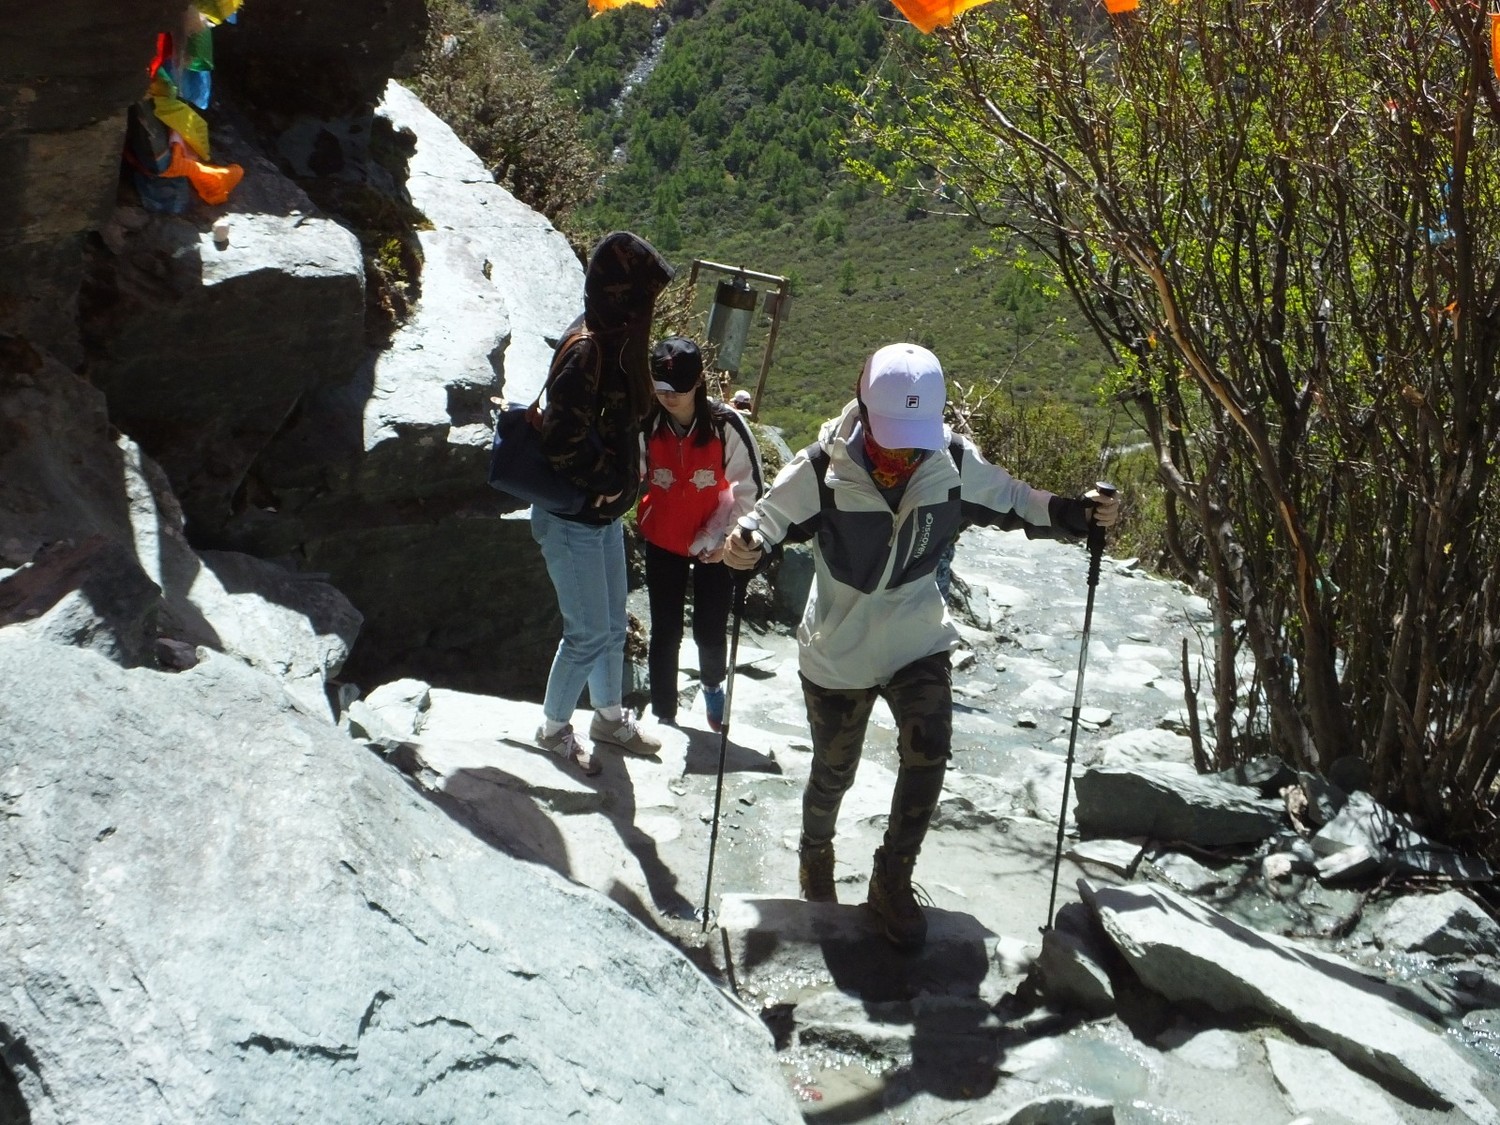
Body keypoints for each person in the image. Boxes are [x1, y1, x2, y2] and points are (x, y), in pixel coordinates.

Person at [722, 342, 1119, 951]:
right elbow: (766, 523)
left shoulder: (952, 462)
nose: (902, 449)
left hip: (915, 640)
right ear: (862, 405)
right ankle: (816, 854)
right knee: (833, 773)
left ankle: (892, 879)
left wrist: (1076, 514)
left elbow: (1016, 501)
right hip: (838, 651)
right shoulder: (820, 469)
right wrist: (743, 545)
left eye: (914, 434)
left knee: (929, 747)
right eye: (891, 433)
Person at [530, 231, 674, 776]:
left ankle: (609, 718)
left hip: (601, 517)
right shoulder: (589, 350)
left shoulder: (613, 343)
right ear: (622, 299)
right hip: (573, 519)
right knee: (586, 632)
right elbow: (559, 441)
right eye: (641, 300)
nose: (647, 313)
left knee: (613, 624)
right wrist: (602, 484)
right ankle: (552, 730)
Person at [636, 337, 764, 730]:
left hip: (716, 540)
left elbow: (751, 487)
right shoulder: (647, 422)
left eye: (677, 390)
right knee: (666, 630)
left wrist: (730, 539)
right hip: (663, 537)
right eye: (660, 389)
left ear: (698, 383)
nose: (668, 398)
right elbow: (630, 474)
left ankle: (711, 684)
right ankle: (663, 715)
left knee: (709, 630)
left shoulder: (725, 425)